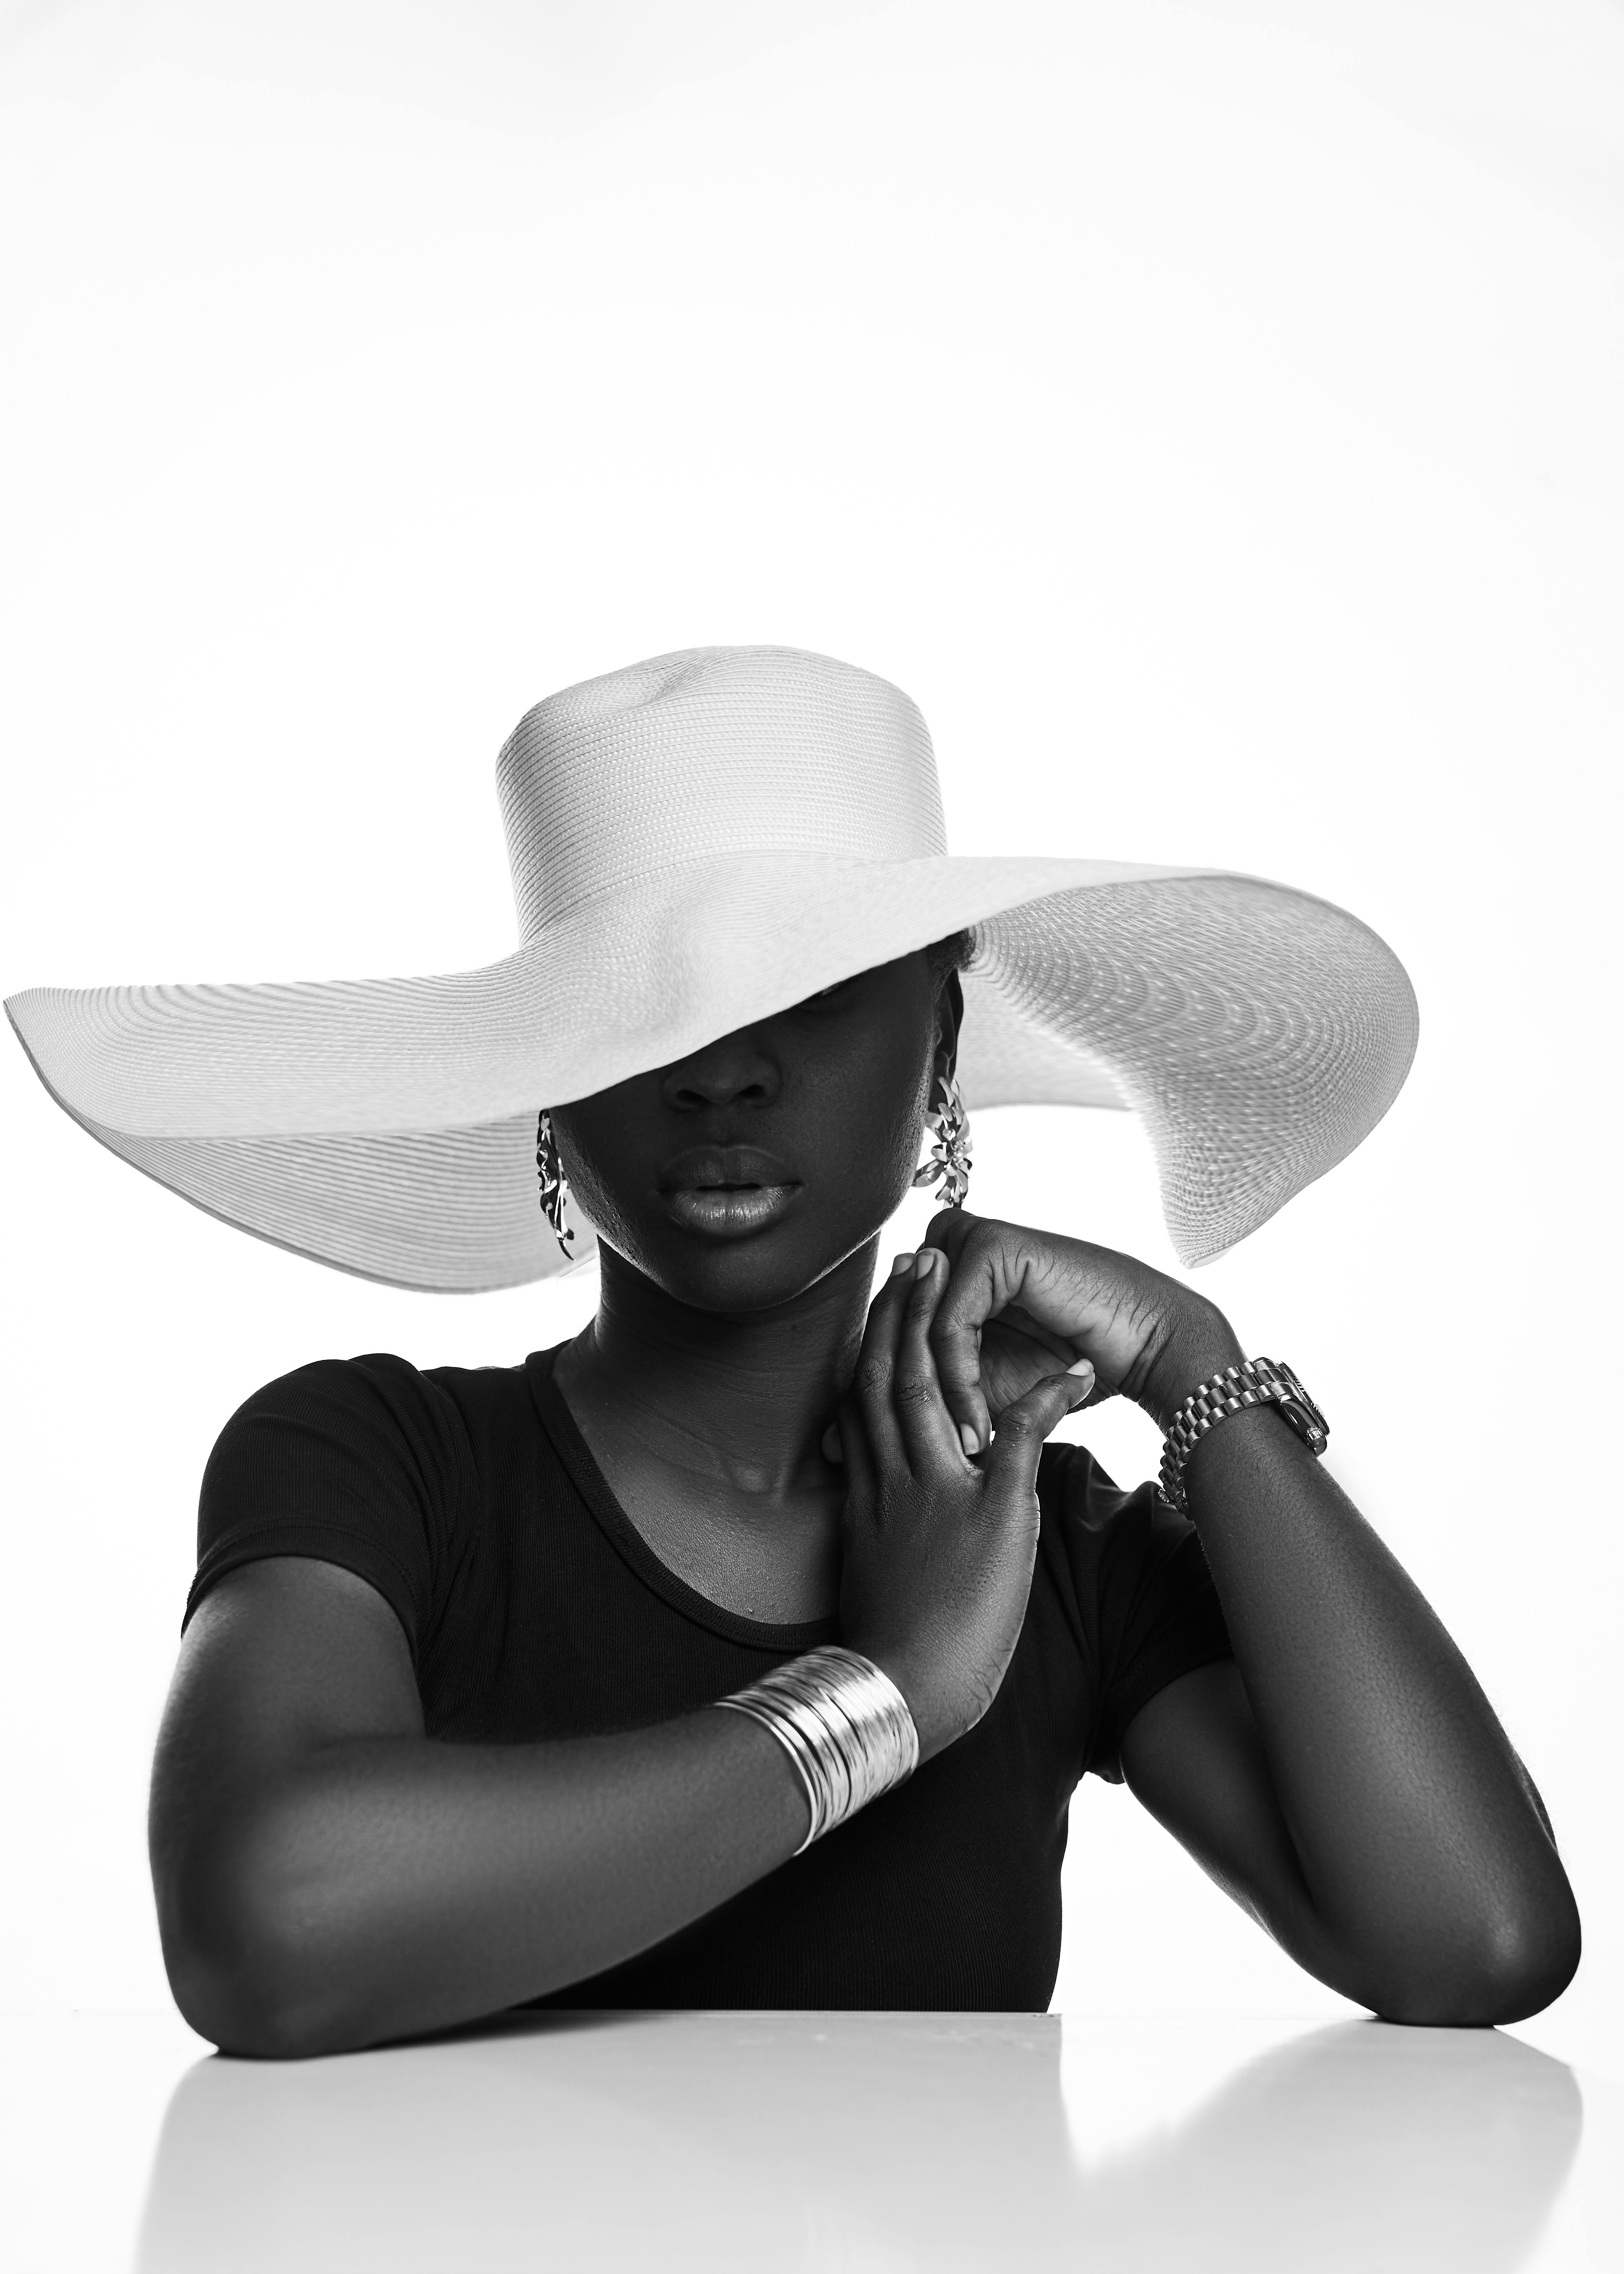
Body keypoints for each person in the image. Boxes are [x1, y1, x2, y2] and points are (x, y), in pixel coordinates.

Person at [6, 646, 1580, 2056]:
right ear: (550, 1082)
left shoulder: (1049, 1542)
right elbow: (269, 1931)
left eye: (812, 992)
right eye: (642, 1008)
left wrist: (1195, 1368)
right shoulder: (377, 1464)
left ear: (940, 1043)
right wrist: (891, 1692)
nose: (726, 1073)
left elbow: (1480, 1944)